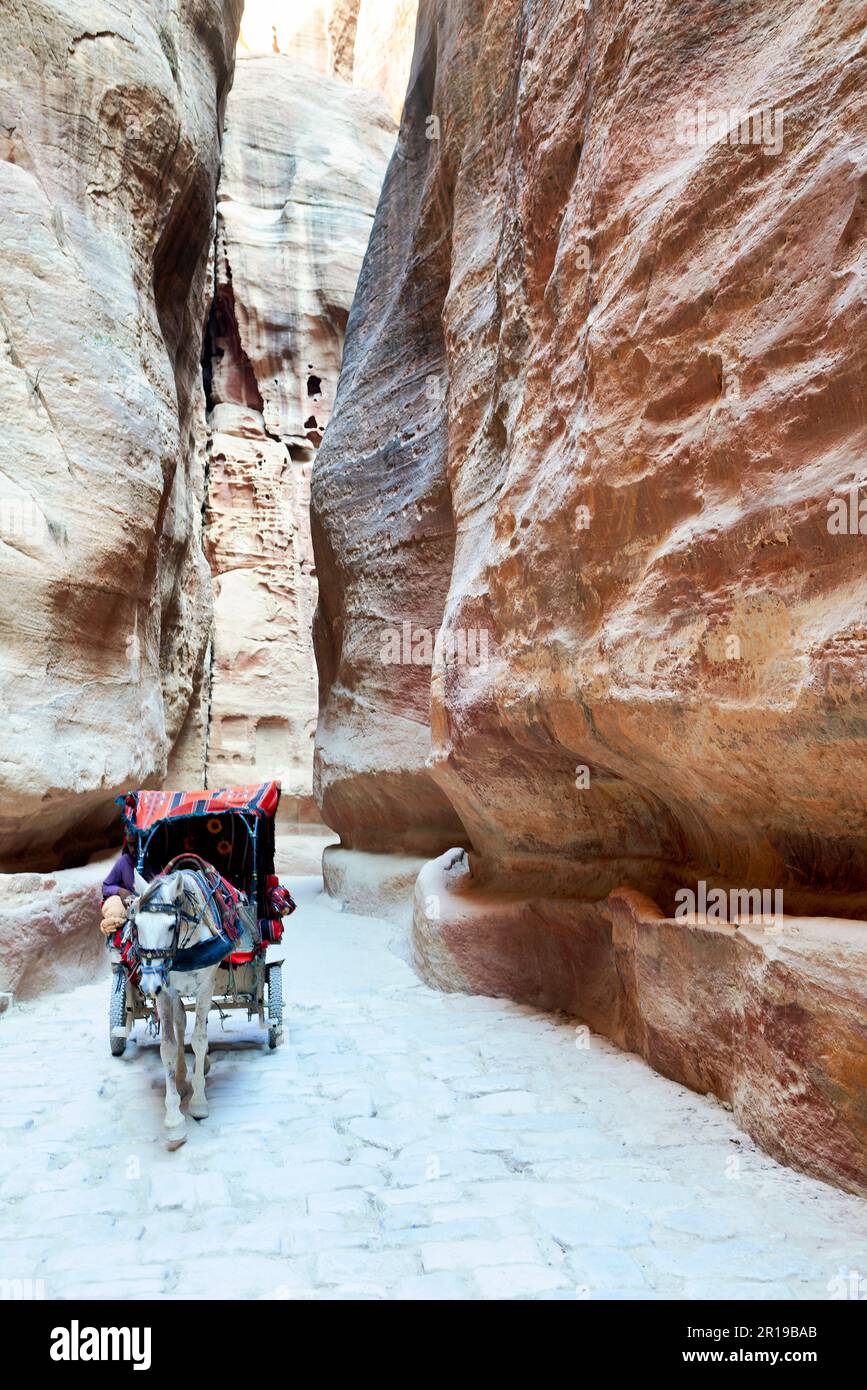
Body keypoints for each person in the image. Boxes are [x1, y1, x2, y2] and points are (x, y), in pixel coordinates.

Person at [99, 832, 147, 935]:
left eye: (136, 844)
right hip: (132, 908)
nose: (133, 849)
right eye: (130, 845)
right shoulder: (124, 861)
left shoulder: (153, 861)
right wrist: (120, 890)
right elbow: (106, 887)